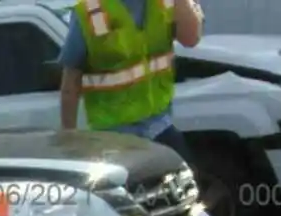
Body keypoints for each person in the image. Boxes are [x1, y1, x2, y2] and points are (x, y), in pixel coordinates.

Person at [59, 0, 206, 166]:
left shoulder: (164, 3)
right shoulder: (90, 12)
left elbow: (191, 39)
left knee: (186, 181)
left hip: (158, 126)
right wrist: (69, 139)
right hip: (113, 137)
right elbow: (70, 85)